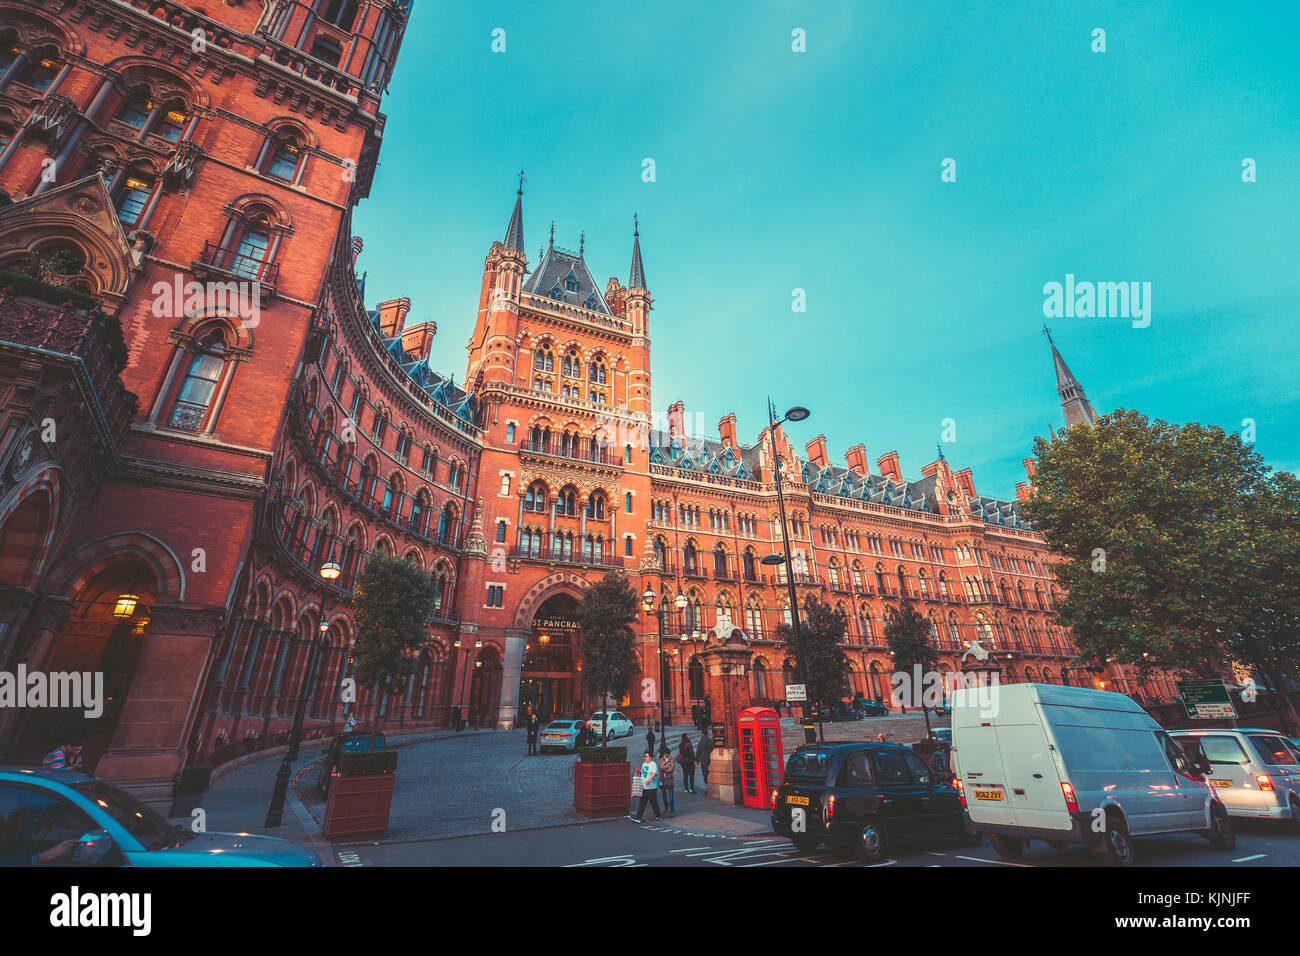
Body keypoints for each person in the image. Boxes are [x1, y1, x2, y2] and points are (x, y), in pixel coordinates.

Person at [631, 751, 662, 823]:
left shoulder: (653, 764)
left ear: (650, 757)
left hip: (651, 787)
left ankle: (658, 816)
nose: (645, 758)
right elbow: (643, 773)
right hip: (644, 787)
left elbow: (655, 773)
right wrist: (639, 771)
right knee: (642, 802)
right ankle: (638, 817)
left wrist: (650, 779)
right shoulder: (644, 764)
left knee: (653, 802)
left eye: (646, 756)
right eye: (645, 756)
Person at [658, 746, 676, 816]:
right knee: (663, 795)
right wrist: (667, 767)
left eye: (666, 754)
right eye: (664, 754)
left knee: (671, 794)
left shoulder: (671, 759)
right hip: (663, 779)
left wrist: (664, 768)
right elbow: (660, 767)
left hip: (669, 779)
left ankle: (672, 808)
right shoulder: (662, 759)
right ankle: (666, 806)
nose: (665, 755)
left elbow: (671, 769)